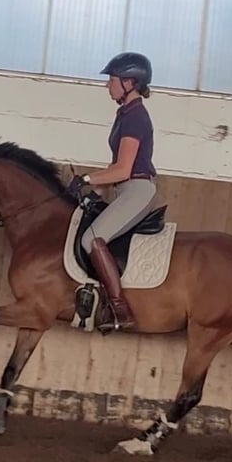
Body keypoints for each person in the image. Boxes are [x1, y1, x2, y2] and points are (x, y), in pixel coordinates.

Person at [67, 52, 158, 331]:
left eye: (112, 79)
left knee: (92, 239)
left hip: (136, 190)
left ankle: (120, 310)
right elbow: (115, 169)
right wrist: (91, 185)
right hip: (125, 189)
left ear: (130, 82)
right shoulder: (125, 115)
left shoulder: (135, 118)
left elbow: (123, 170)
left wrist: (86, 178)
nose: (108, 85)